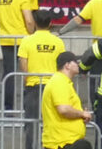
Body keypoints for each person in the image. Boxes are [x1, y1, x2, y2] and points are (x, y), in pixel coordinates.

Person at [0, 0, 39, 108]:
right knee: (29, 72)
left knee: (9, 74)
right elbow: (29, 20)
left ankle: (8, 108)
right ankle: (30, 106)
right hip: (23, 40)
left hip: (5, 39)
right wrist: (32, 33)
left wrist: (3, 30)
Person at [20, 11, 67, 146]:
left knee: (31, 124)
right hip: (54, 86)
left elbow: (24, 65)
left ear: (35, 23)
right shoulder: (58, 42)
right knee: (53, 122)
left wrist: (26, 82)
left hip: (33, 85)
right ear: (50, 23)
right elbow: (62, 64)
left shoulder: (27, 41)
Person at [41, 52, 91, 149]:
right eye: (75, 62)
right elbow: (64, 109)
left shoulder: (63, 82)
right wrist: (82, 114)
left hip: (66, 141)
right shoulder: (59, 82)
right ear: (67, 65)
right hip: (62, 143)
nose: (78, 64)